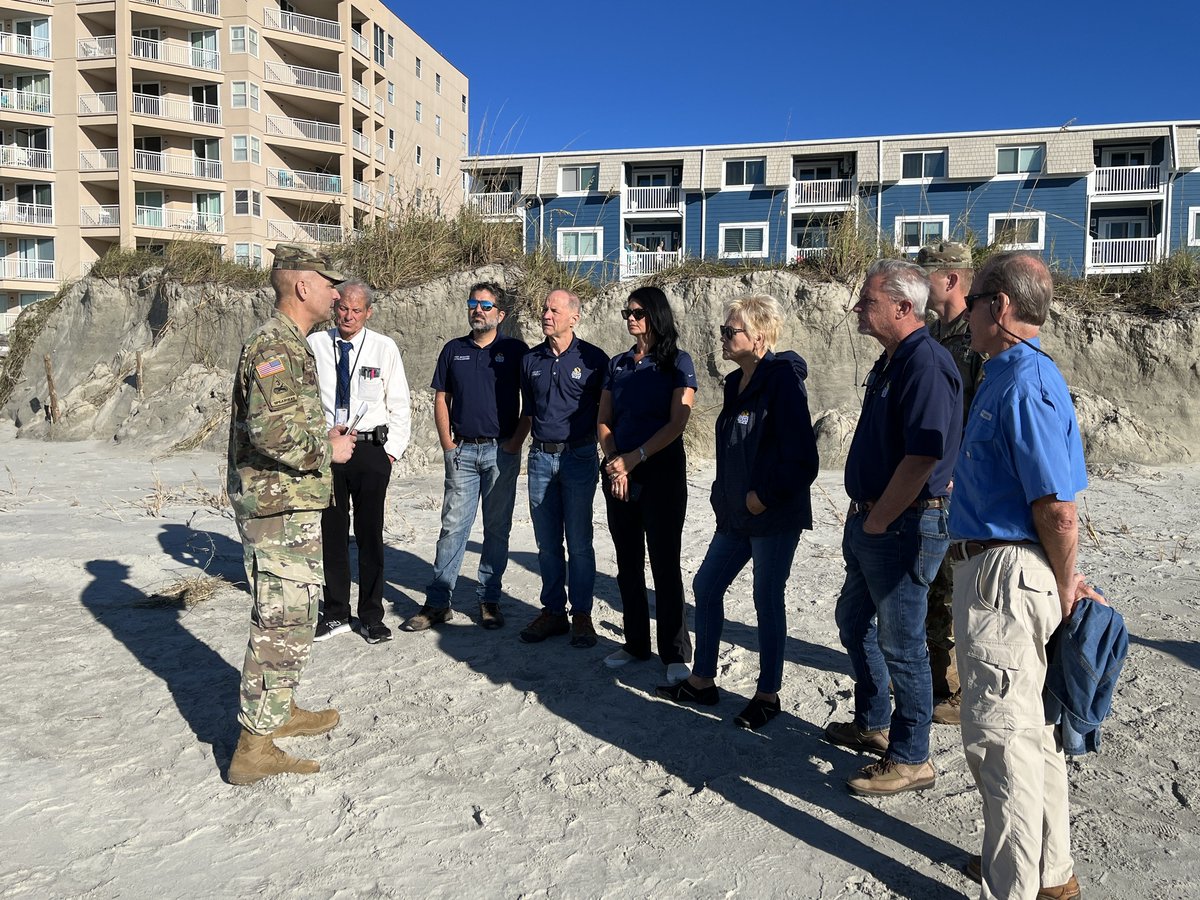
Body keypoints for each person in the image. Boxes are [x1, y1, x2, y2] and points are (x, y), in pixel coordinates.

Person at [949, 251, 1097, 899]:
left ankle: (1017, 886)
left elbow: (1057, 510)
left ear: (999, 307)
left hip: (1006, 576)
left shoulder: (1026, 381)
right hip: (1002, 569)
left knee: (1002, 743)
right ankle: (1051, 875)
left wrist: (1067, 584)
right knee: (1030, 736)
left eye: (975, 298)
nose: (965, 309)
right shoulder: (1008, 375)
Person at [824, 258, 962, 795]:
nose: (858, 308)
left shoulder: (925, 363)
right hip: (877, 522)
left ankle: (912, 758)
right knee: (855, 622)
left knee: (903, 643)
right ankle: (874, 723)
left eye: (868, 301)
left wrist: (879, 518)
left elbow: (923, 456)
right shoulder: (892, 360)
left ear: (905, 307)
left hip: (903, 524)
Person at [225, 243, 357, 785]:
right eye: (329, 283)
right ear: (302, 286)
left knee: (297, 616)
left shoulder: (291, 343)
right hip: (274, 509)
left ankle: (278, 712)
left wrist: (321, 440)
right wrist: (329, 449)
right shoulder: (271, 346)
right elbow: (271, 432)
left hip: (291, 506)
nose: (335, 292)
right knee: (279, 619)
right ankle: (252, 748)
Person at [656, 295, 818, 731]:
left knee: (766, 600)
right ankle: (702, 680)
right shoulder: (734, 383)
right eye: (724, 330)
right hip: (735, 514)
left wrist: (762, 496)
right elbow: (735, 444)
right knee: (707, 585)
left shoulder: (783, 382)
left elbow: (803, 460)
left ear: (759, 337)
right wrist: (721, 491)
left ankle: (767, 695)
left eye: (731, 331)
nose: (722, 337)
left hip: (773, 514)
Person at [407, 282, 529, 631]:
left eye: (486, 305)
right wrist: (447, 444)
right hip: (462, 451)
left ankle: (489, 600)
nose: (478, 310)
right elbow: (441, 397)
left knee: (496, 529)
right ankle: (438, 602)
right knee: (452, 528)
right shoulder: (453, 350)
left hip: (500, 452)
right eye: (473, 303)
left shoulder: (515, 351)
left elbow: (532, 402)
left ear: (501, 314)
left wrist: (515, 443)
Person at [597, 286, 697, 683]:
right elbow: (604, 420)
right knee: (627, 564)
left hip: (661, 473)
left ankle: (674, 652)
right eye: (626, 312)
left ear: (655, 315)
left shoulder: (678, 362)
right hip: (618, 472)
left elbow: (678, 422)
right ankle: (635, 642)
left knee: (665, 564)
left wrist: (635, 458)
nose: (630, 318)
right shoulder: (617, 364)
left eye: (637, 312)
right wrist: (614, 463)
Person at [308, 280, 411, 644]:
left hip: (370, 450)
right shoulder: (315, 345)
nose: (348, 316)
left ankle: (371, 615)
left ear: (368, 312)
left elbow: (399, 403)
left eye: (356, 310)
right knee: (332, 534)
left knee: (370, 536)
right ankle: (336, 612)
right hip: (328, 449)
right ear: (334, 309)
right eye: (342, 309)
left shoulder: (384, 348)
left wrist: (390, 452)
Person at [518, 288, 609, 648]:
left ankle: (582, 615)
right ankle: (553, 612)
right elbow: (528, 411)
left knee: (580, 541)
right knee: (546, 543)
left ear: (575, 317)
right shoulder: (530, 360)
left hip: (579, 457)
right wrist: (514, 447)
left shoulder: (594, 360)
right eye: (544, 309)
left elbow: (606, 413)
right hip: (540, 458)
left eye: (554, 310)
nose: (546, 314)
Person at [918, 240, 985, 725]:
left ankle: (956, 689)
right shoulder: (931, 335)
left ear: (952, 279)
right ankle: (938, 678)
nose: (919, 285)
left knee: (953, 587)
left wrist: (964, 475)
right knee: (930, 586)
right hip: (930, 479)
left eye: (927, 275)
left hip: (961, 487)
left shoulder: (975, 338)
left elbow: (983, 414)